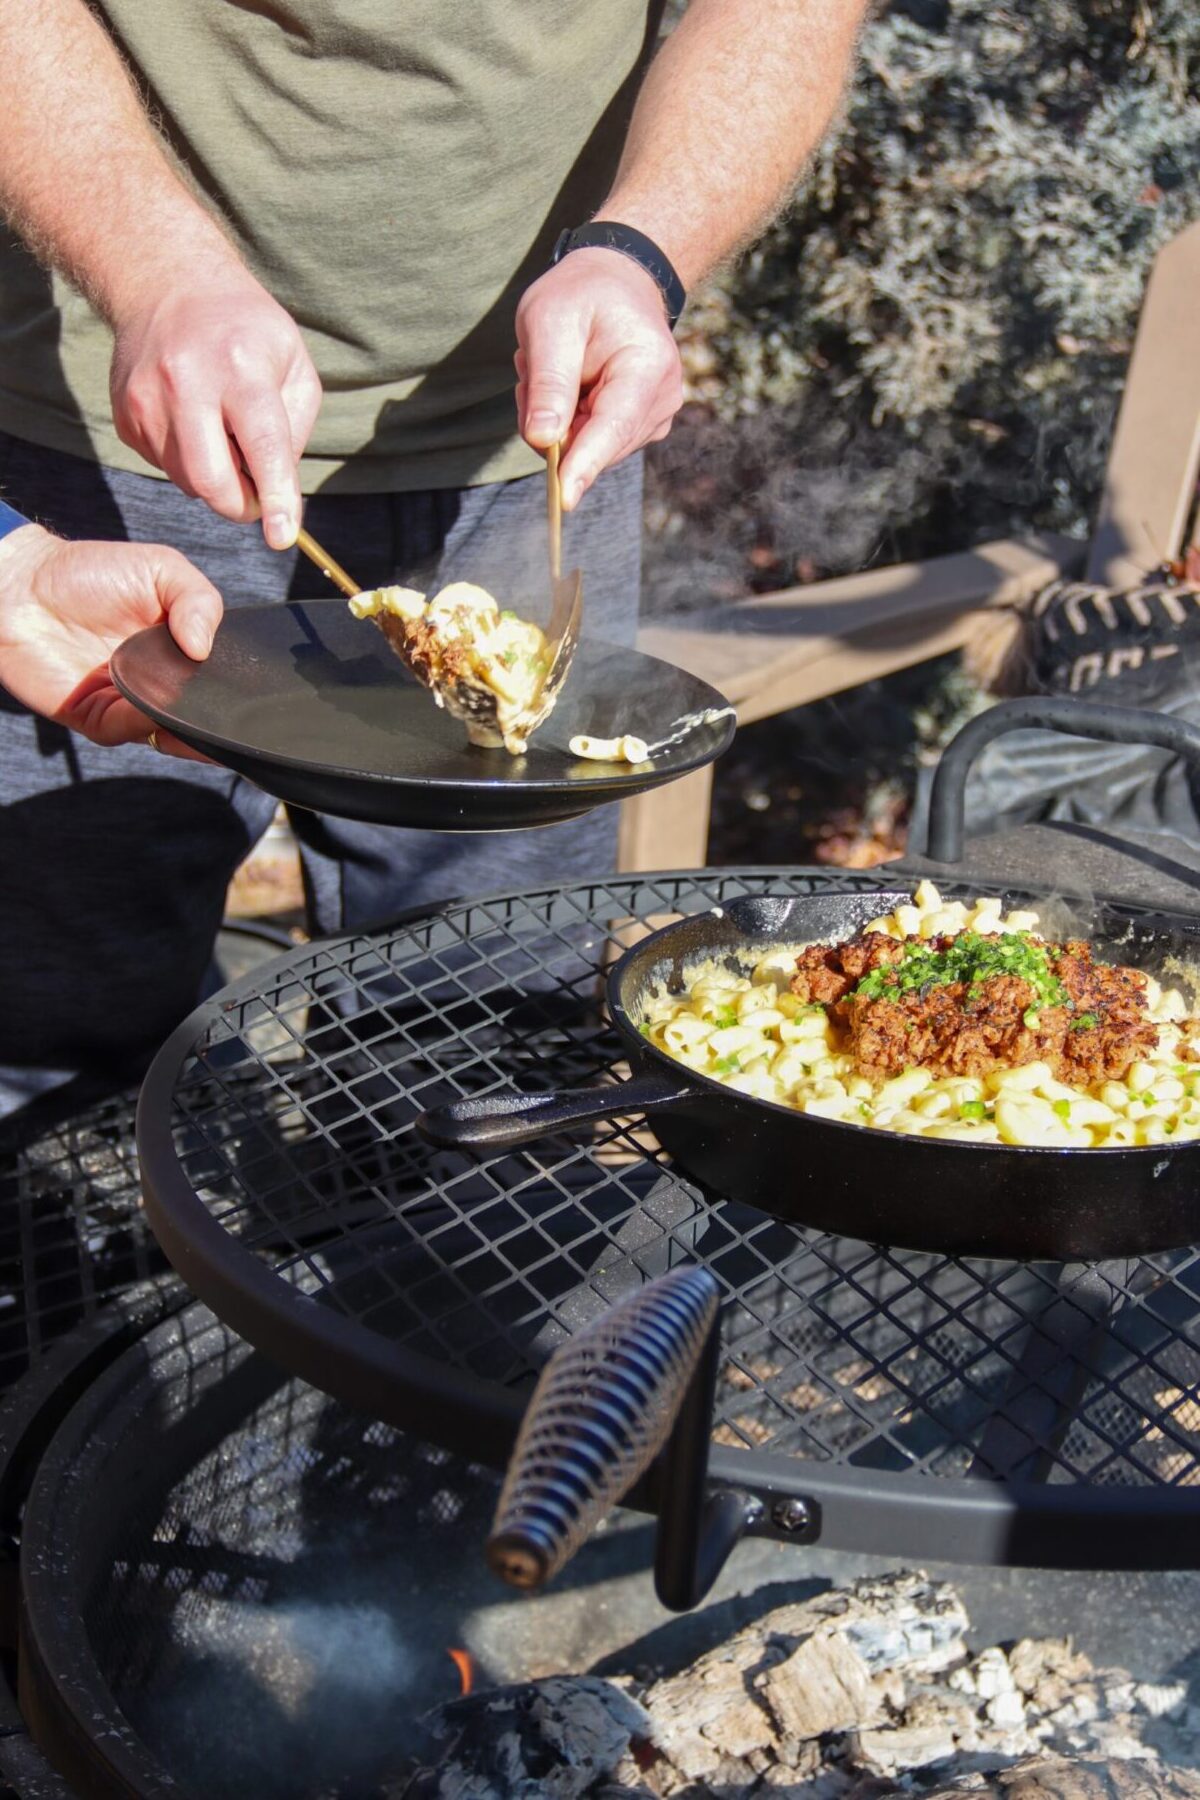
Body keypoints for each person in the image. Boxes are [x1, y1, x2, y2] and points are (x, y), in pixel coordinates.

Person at [0, 0, 866, 1114]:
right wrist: (148, 263)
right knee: (53, 1033)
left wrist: (642, 254)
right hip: (108, 424)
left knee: (485, 1043)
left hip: (530, 453)